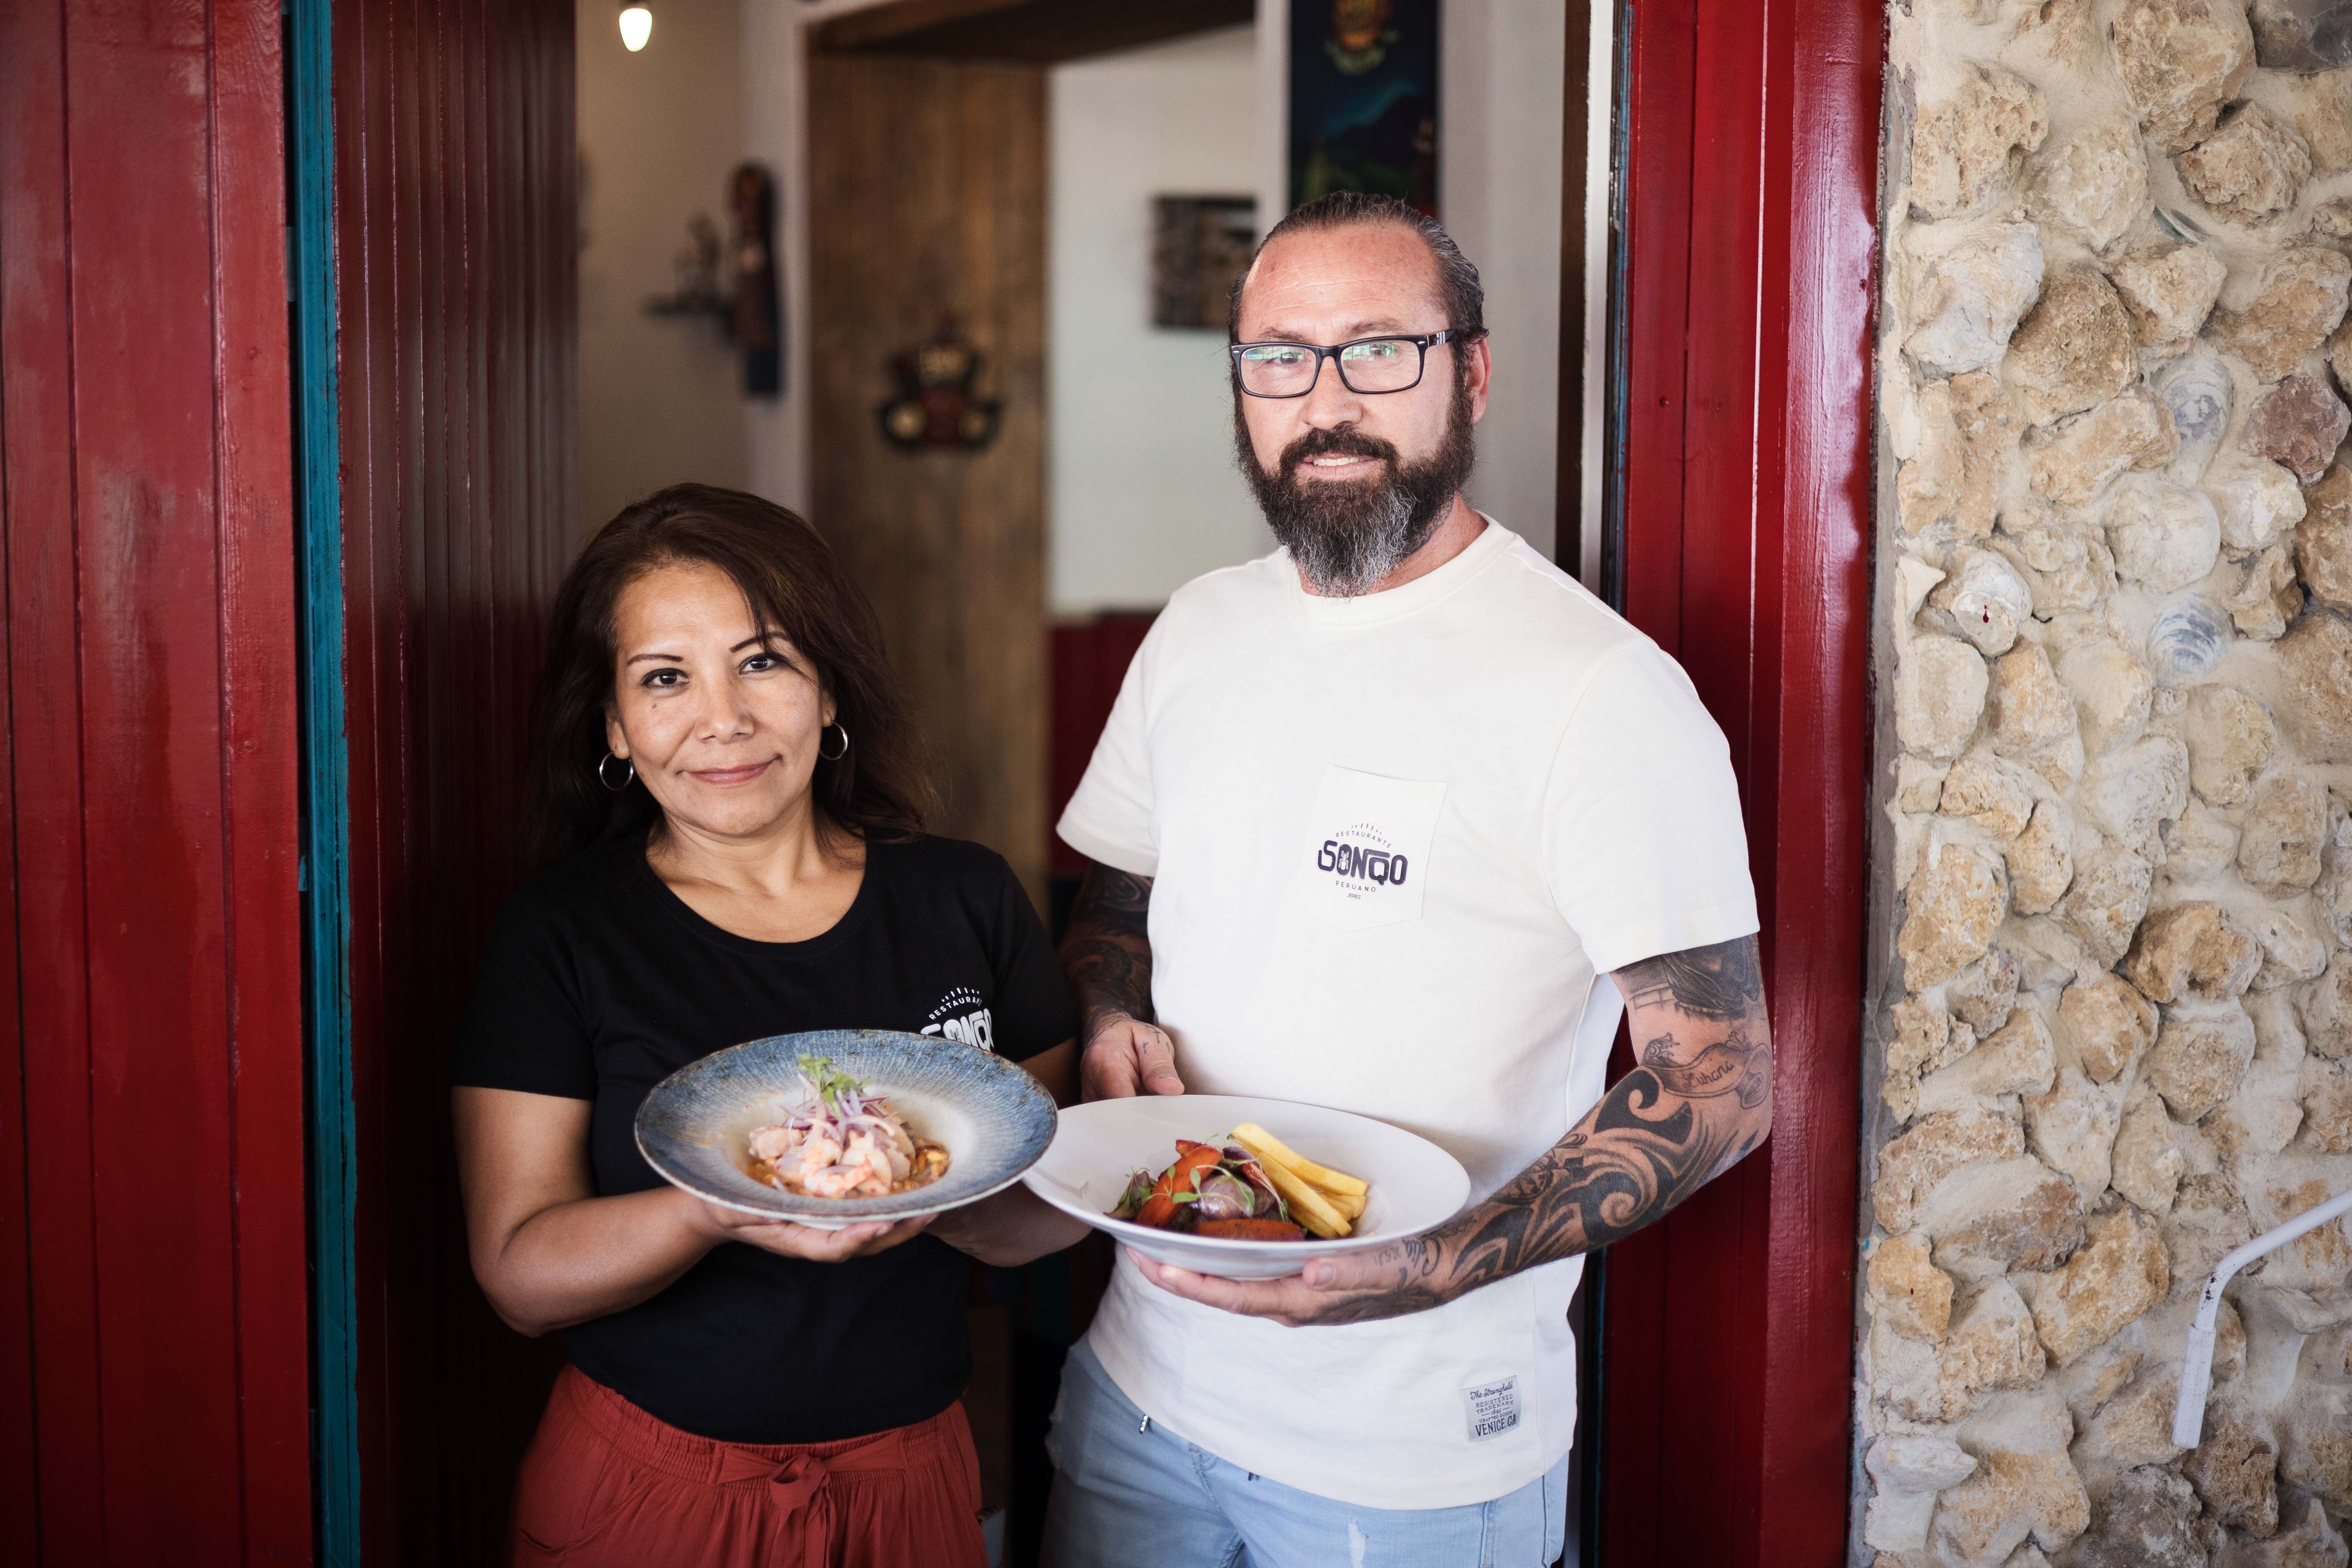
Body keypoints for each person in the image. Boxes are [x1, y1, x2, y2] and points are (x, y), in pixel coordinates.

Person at [1041, 192, 1775, 1565]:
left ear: (1472, 372)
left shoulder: (1601, 695)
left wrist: (1428, 1267)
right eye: (1281, 358)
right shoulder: (1196, 633)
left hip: (1416, 1465)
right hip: (1137, 1399)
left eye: (1379, 351)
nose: (1326, 404)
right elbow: (1116, 902)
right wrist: (1105, 1012)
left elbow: (1722, 1089)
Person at [452, 484, 1086, 1568]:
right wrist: (718, 1215)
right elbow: (518, 1274)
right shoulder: (559, 934)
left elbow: (1051, 1210)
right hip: (649, 1496)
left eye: (764, 661)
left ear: (829, 688)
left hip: (914, 1483)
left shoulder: (966, 899)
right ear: (613, 723)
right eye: (664, 678)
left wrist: (925, 1192)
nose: (724, 720)